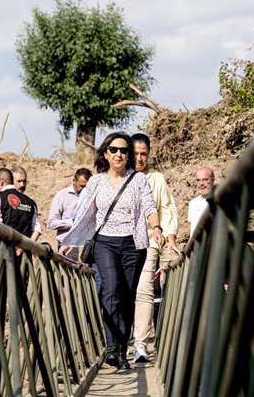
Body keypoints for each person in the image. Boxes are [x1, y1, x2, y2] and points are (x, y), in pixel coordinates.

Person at [62, 132, 164, 371]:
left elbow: (150, 206)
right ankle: (112, 349)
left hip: (133, 244)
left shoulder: (138, 180)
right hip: (105, 242)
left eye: (124, 150)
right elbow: (84, 212)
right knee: (111, 290)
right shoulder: (96, 181)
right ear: (106, 154)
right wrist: (73, 238)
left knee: (128, 298)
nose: (119, 154)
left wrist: (157, 227)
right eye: (114, 150)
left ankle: (121, 349)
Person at [131, 133, 180, 363]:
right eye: (136, 154)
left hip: (150, 241)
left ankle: (140, 343)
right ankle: (120, 342)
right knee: (120, 292)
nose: (140, 158)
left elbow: (168, 209)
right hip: (120, 242)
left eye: (144, 154)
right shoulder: (120, 178)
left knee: (144, 290)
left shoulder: (157, 179)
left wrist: (170, 237)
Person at [0, 168, 41, 270]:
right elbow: (37, 228)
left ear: (1, 183)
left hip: (1, 254)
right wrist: (25, 246)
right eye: (19, 181)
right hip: (23, 258)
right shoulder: (31, 203)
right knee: (20, 285)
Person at [48, 168, 92, 260]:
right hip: (66, 246)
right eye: (81, 186)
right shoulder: (62, 195)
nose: (84, 190)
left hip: (86, 245)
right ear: (73, 181)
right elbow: (51, 223)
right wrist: (73, 223)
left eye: (86, 187)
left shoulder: (92, 196)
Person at [188, 166, 215, 234]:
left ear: (213, 180)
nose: (201, 183)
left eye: (205, 180)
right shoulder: (193, 203)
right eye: (198, 180)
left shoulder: (219, 201)